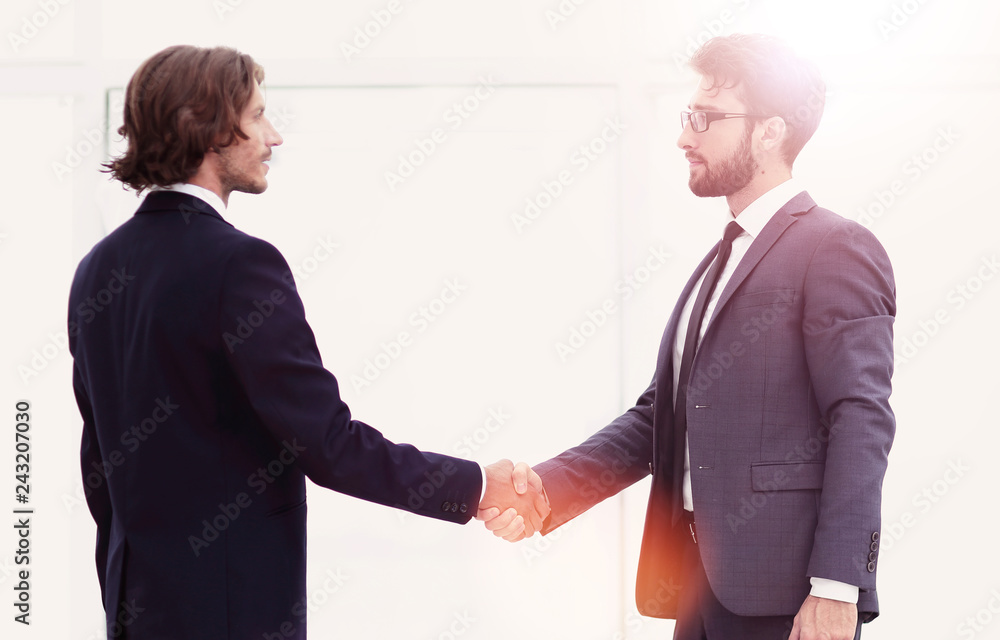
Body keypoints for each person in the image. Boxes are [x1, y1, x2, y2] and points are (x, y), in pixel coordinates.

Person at [69, 44, 547, 640]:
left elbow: (99, 468)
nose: (274, 137)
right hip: (234, 617)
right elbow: (325, 442)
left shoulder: (96, 270)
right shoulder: (241, 265)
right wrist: (475, 485)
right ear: (213, 130)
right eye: (258, 117)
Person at [484, 34, 895, 640]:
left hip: (787, 601)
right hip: (699, 589)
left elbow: (861, 416)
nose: (684, 137)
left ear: (769, 132)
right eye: (686, 117)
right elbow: (663, 416)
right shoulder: (720, 260)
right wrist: (548, 488)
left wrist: (838, 586)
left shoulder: (836, 248)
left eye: (704, 118)